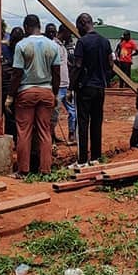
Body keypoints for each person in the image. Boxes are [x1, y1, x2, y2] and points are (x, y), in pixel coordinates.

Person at [10, 14, 61, 175]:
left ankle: (23, 170)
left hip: (26, 92)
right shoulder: (53, 46)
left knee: (24, 131)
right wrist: (55, 94)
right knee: (45, 131)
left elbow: (17, 73)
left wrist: (10, 96)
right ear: (39, 26)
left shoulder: (21, 45)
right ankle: (45, 169)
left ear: (26, 27)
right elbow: (57, 73)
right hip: (46, 91)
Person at [72, 13, 112, 166]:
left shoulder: (82, 42)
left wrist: (71, 87)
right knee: (97, 122)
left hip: (85, 88)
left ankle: (82, 160)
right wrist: (105, 79)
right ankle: (95, 157)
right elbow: (111, 64)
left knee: (82, 123)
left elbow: (77, 65)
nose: (78, 30)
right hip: (100, 88)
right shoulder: (105, 41)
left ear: (83, 24)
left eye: (78, 27)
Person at [50, 24, 77, 143]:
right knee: (54, 112)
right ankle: (51, 136)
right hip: (58, 85)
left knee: (72, 111)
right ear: (64, 32)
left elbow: (64, 64)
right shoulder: (53, 46)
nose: (70, 36)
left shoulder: (62, 46)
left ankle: (71, 134)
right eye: (69, 33)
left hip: (66, 84)